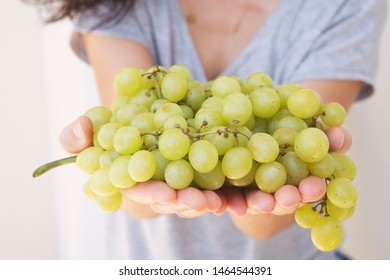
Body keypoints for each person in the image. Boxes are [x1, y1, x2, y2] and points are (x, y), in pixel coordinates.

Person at [32, 0, 386, 259]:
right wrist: (130, 180)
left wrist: (262, 197)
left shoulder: (346, 6)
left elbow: (273, 207)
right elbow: (134, 176)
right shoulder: (115, 3)